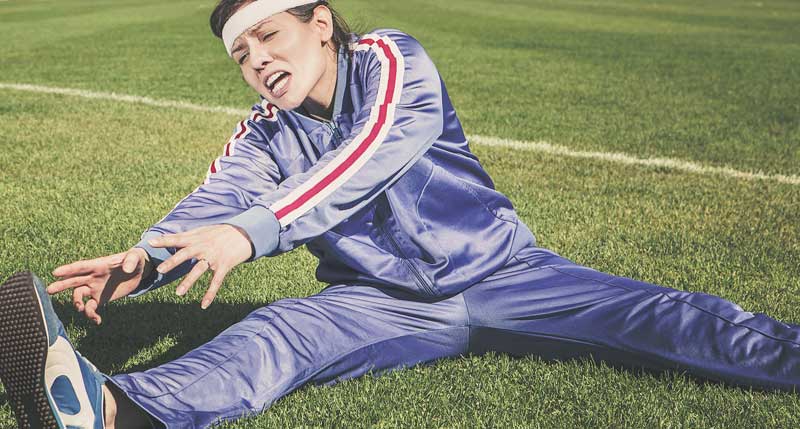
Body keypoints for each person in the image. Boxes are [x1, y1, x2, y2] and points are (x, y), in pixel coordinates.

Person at [1, 0, 798, 428]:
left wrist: (252, 231)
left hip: (506, 273)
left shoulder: (392, 60)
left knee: (664, 317)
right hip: (377, 302)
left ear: (320, 23)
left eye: (270, 37)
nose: (259, 63)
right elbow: (214, 204)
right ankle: (105, 408)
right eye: (242, 56)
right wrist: (144, 260)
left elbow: (372, 151)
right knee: (272, 336)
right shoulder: (263, 133)